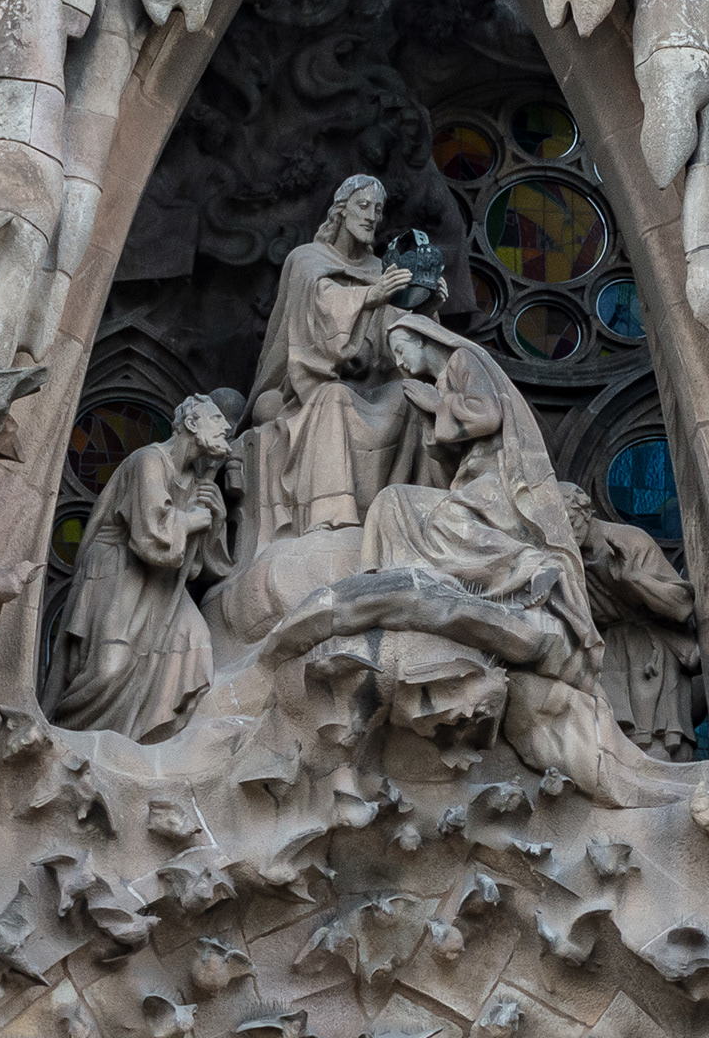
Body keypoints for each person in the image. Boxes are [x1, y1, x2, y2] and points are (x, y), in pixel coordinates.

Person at [359, 315, 599, 658]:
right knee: (392, 500)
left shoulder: (462, 359)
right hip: (472, 480)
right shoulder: (443, 381)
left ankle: (533, 565)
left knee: (444, 518)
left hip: (501, 478)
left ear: (423, 339)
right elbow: (449, 451)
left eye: (401, 350)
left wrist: (437, 405)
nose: (399, 362)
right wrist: (432, 416)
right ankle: (395, 584)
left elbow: (488, 416)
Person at [245, 175, 444, 538]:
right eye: (362, 206)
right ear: (341, 210)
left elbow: (398, 339)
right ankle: (334, 516)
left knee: (412, 397)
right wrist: (370, 296)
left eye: (378, 210)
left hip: (370, 384)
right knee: (333, 397)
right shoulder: (307, 259)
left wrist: (425, 305)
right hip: (313, 384)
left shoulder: (380, 270)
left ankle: (402, 522)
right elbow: (316, 313)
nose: (371, 216)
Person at [43, 395, 234, 742]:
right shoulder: (149, 460)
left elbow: (201, 567)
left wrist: (215, 518)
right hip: (118, 569)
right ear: (192, 424)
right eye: (217, 419)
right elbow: (149, 535)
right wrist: (193, 519)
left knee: (196, 646)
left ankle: (148, 748)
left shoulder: (196, 480)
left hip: (162, 581)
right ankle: (69, 743)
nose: (227, 428)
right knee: (110, 670)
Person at [560, 483, 704, 760]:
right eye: (558, 525)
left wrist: (633, 579)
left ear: (585, 512)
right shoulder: (566, 560)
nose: (566, 530)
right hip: (606, 656)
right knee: (613, 752)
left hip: (651, 653)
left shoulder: (630, 541)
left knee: (659, 750)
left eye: (570, 519)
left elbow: (681, 606)